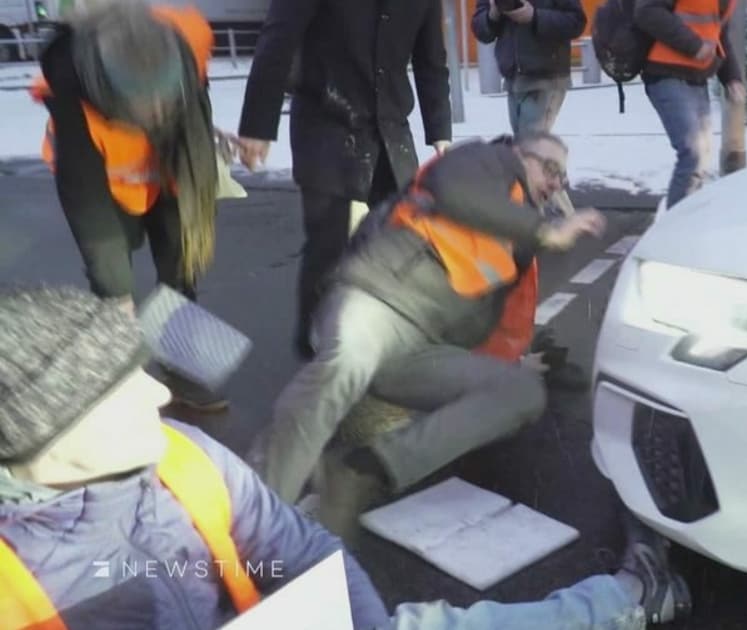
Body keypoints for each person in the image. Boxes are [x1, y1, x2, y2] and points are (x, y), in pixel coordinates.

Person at [0, 284, 687, 628]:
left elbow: (298, 548)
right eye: (124, 387)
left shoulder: (183, 454)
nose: (157, 394)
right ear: (48, 430)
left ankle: (628, 596)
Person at [256, 132, 607, 529]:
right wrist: (543, 230)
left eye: (563, 177)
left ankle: (361, 471)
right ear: (517, 154)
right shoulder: (484, 160)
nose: (556, 182)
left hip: (420, 348)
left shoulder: (520, 242)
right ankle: (258, 511)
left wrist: (518, 364)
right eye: (550, 168)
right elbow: (455, 189)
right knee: (348, 360)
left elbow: (506, 327)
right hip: (374, 300)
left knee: (521, 392)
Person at [28, 0, 228, 411]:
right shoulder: (73, 90)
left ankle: (182, 370)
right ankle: (119, 380)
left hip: (175, 171)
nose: (156, 113)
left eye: (164, 104)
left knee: (182, 269)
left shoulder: (187, 42)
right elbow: (87, 204)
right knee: (112, 285)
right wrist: (115, 290)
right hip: (104, 185)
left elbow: (197, 120)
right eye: (145, 109)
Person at [236, 0, 454, 361]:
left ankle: (387, 336)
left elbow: (432, 59)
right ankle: (317, 346)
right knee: (328, 246)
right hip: (327, 124)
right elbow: (278, 39)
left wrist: (439, 130)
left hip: (391, 130)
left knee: (401, 241)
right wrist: (257, 127)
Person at [471, 0, 584, 219]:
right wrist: (493, 14)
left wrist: (535, 17)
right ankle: (559, 212)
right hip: (515, 78)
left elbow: (576, 22)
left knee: (529, 153)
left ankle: (541, 218)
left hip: (547, 78)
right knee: (528, 151)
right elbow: (480, 28)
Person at [634, 0, 744, 209]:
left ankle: (687, 225)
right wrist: (694, 46)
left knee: (700, 160)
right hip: (666, 74)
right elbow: (647, 11)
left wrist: (732, 78)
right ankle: (673, 231)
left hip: (697, 78)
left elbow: (719, 35)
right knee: (693, 154)